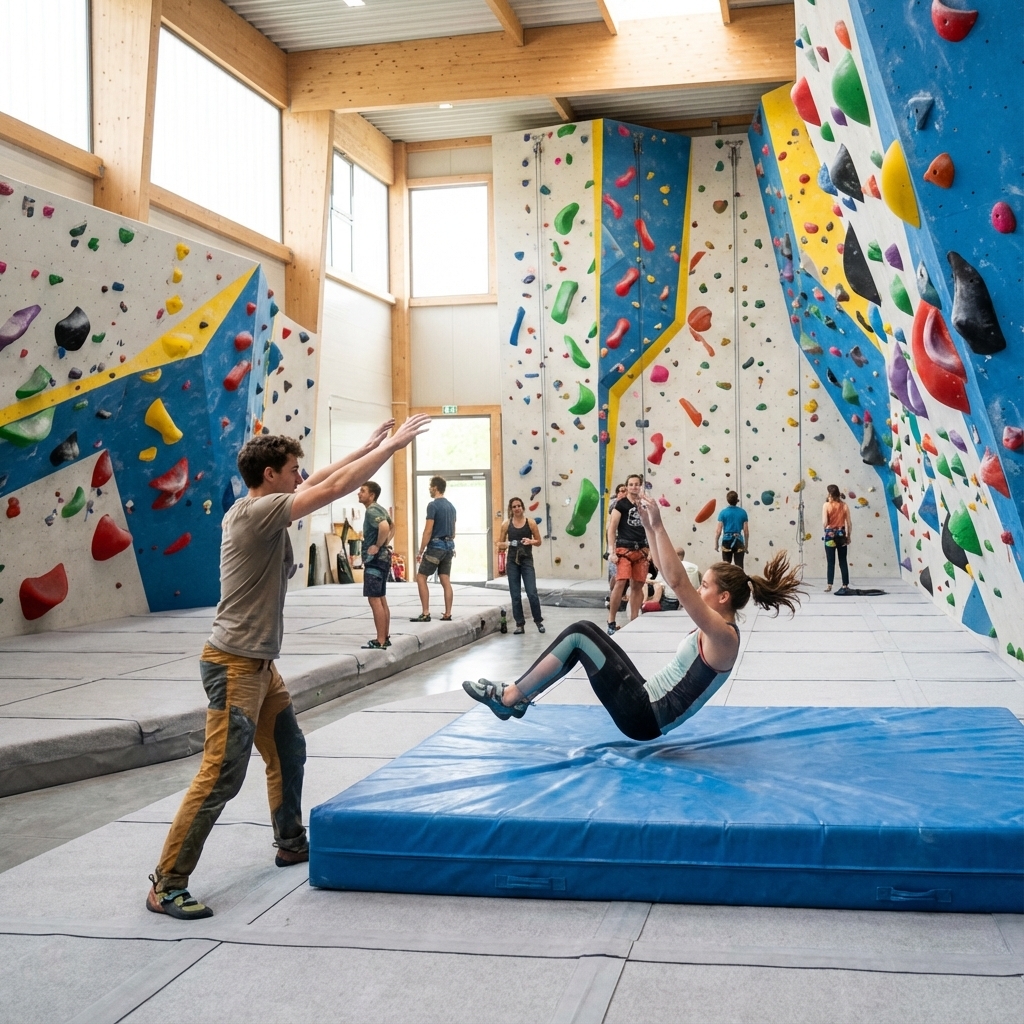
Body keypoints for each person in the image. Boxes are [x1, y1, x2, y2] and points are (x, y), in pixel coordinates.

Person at [146, 415, 430, 920]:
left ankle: (290, 841)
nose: (302, 476)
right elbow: (335, 487)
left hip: (259, 666)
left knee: (289, 749)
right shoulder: (257, 514)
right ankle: (166, 882)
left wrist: (367, 442)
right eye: (293, 470)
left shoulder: (261, 504)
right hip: (234, 666)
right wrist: (393, 448)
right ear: (272, 475)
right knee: (221, 776)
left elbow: (323, 478)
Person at [464, 497, 803, 739]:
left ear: (723, 597)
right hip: (644, 700)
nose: (699, 591)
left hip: (644, 716)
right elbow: (665, 568)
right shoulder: (719, 630)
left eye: (705, 586)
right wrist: (651, 528)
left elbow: (676, 581)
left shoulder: (723, 637)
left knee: (580, 634)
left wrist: (658, 524)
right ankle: (518, 697)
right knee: (587, 637)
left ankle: (510, 698)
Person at [606, 474, 648, 634]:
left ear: (640, 486)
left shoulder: (644, 505)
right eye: (631, 484)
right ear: (627, 486)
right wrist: (611, 551)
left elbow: (650, 527)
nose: (634, 487)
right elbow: (612, 528)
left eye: (637, 484)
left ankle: (634, 620)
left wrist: (650, 549)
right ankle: (611, 620)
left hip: (641, 549)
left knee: (638, 585)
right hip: (624, 548)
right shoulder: (620, 505)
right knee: (621, 582)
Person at [411, 476, 457, 622]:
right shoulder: (451, 507)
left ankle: (425, 612)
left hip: (436, 546)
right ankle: (448, 613)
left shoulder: (433, 505)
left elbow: (428, 531)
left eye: (430, 486)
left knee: (421, 577)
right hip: (449, 546)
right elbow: (454, 532)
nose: (429, 489)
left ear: (436, 487)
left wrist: (420, 550)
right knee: (445, 580)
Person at [498, 496, 545, 635]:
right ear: (511, 509)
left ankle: (538, 621)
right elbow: (499, 544)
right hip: (512, 561)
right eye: (514, 506)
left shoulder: (530, 523)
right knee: (515, 594)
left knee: (532, 592)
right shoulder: (506, 524)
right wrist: (507, 543)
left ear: (523, 507)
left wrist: (530, 541)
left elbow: (539, 541)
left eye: (519, 506)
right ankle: (520, 624)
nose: (517, 508)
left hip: (526, 560)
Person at [358, 480, 392, 650]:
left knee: (374, 599)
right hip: (384, 558)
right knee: (381, 598)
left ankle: (380, 640)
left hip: (376, 560)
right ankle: (385, 636)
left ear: (371, 495)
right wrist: (385, 544)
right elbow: (392, 526)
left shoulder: (372, 511)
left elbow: (385, 526)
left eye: (362, 491)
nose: (359, 493)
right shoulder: (380, 508)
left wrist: (378, 545)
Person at [642, 547, 701, 612]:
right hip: (686, 601)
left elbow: (660, 584)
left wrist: (649, 581)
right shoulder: (690, 566)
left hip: (669, 601)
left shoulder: (671, 566)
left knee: (654, 587)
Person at [822, 483, 853, 594]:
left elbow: (825, 522)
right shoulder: (844, 505)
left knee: (831, 561)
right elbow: (849, 523)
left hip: (830, 534)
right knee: (843, 561)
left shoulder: (826, 505)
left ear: (830, 494)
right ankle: (845, 585)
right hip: (841, 534)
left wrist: (826, 529)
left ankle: (829, 585)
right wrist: (848, 536)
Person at [604, 483, 627, 608]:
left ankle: (620, 596)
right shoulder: (615, 503)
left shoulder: (631, 503)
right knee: (614, 572)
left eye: (625, 490)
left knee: (622, 575)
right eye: (621, 491)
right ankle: (612, 594)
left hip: (626, 540)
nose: (623, 493)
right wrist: (611, 550)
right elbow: (611, 509)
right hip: (615, 541)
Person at [715, 491, 749, 569]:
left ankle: (727, 581)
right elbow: (746, 532)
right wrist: (746, 546)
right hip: (738, 541)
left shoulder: (723, 513)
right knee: (739, 567)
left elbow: (718, 531)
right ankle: (740, 580)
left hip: (726, 541)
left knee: (726, 567)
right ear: (736, 500)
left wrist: (716, 544)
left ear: (727, 500)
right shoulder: (743, 512)